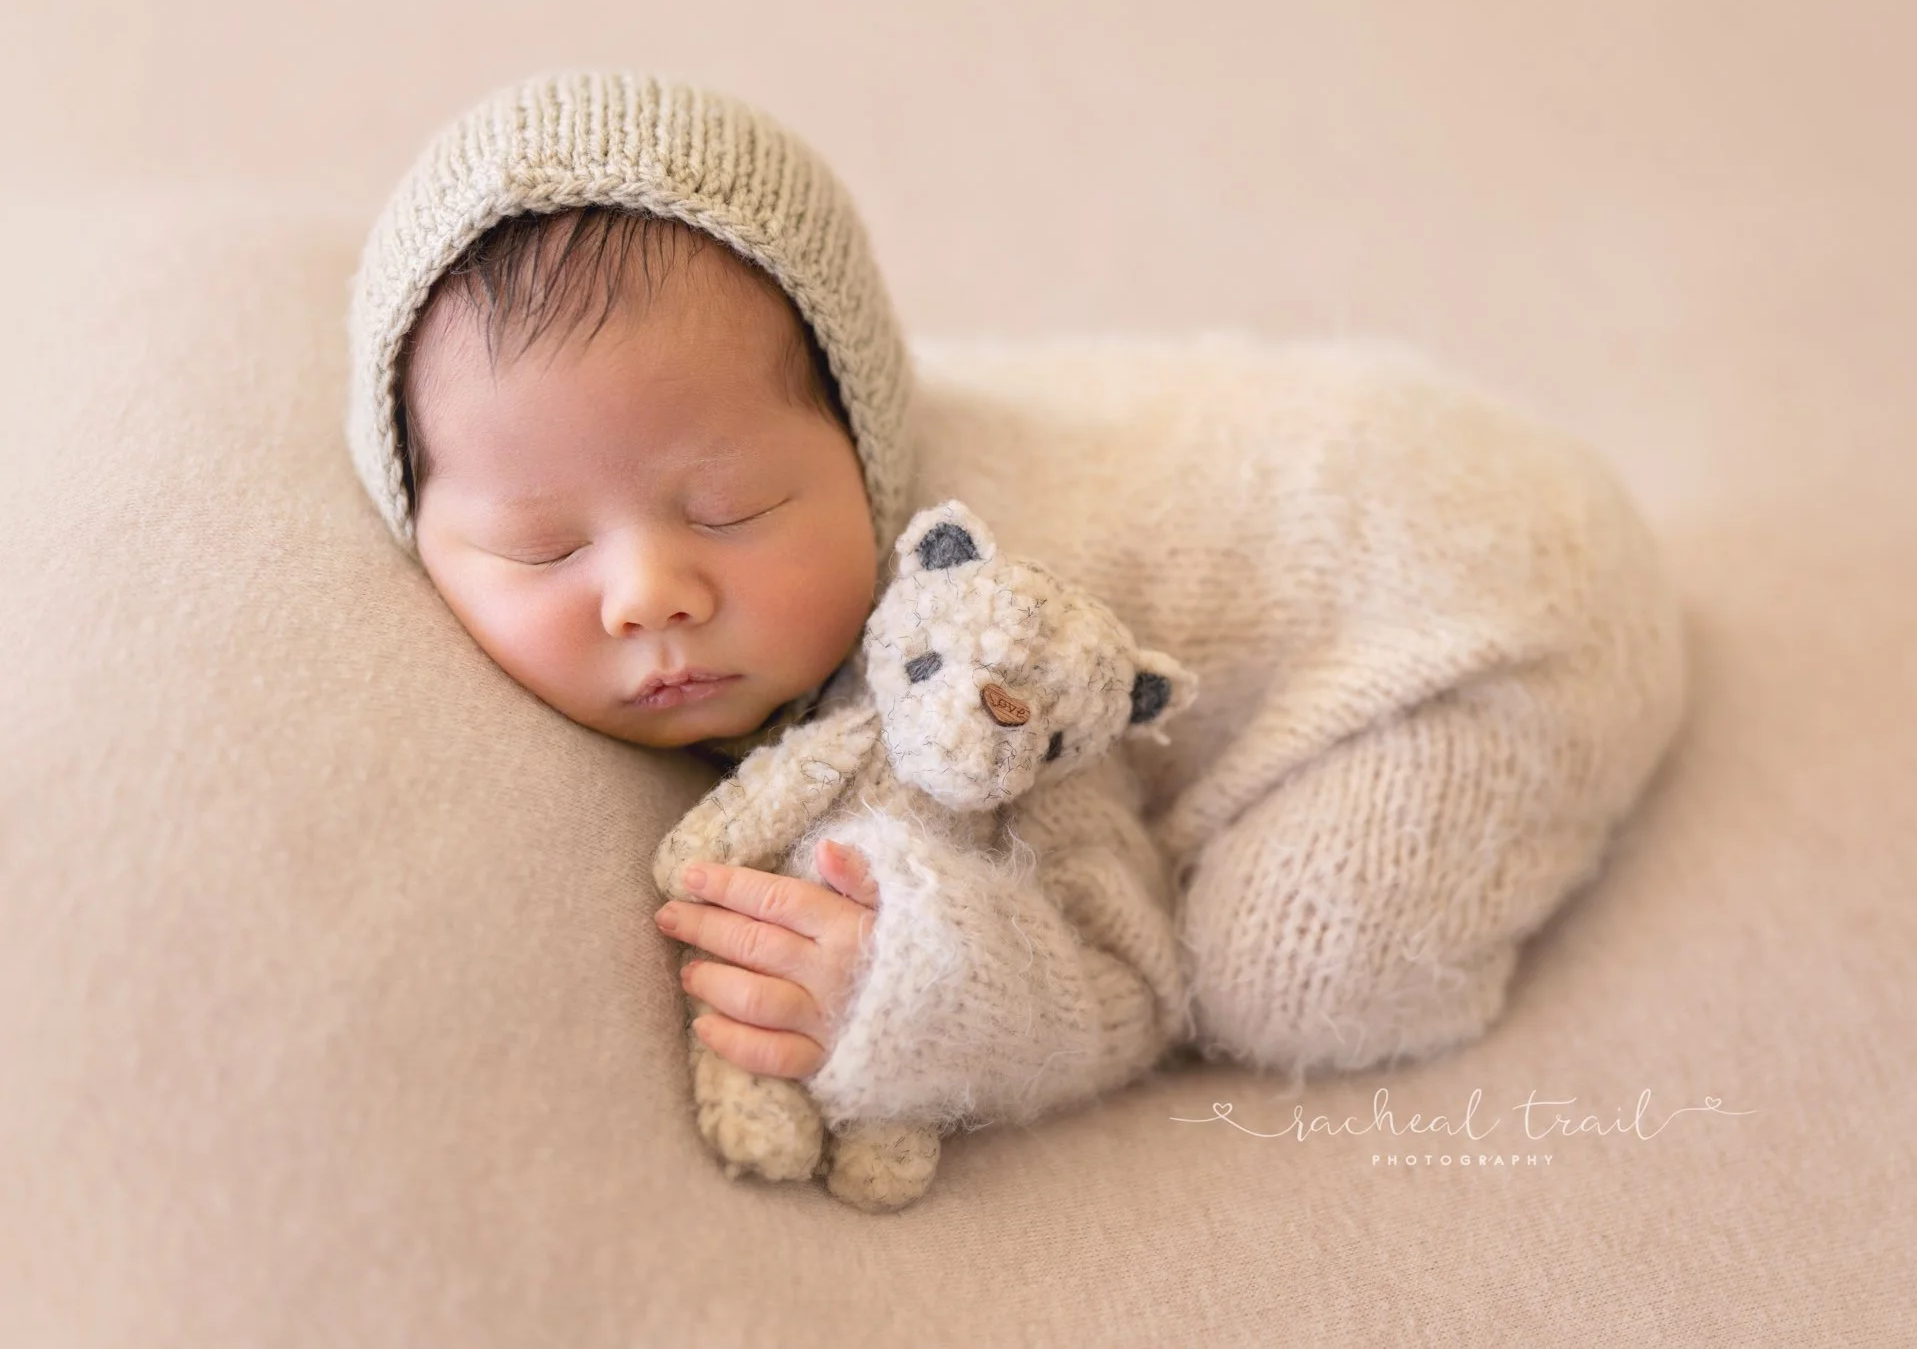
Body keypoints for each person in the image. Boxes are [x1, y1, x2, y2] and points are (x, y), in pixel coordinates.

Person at [343, 69, 1689, 1137]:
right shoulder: (716, 420)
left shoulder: (972, 639)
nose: (650, 592)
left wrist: (900, 990)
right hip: (1415, 472)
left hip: (1491, 615)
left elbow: (1120, 968)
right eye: (540, 546)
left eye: (730, 508)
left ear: (866, 440)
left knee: (1289, 972)